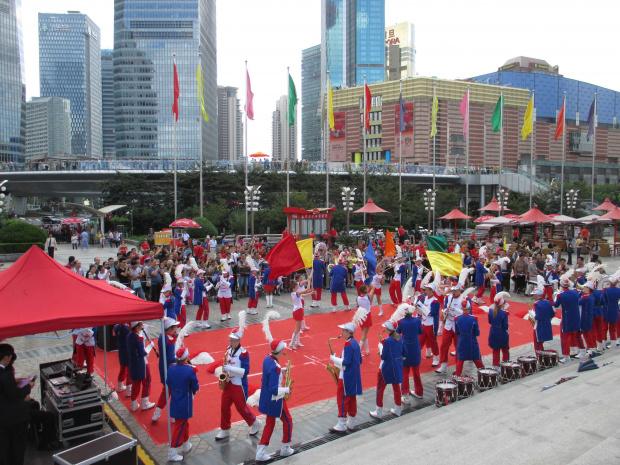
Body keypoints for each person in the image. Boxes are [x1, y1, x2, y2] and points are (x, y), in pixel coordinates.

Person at [215, 319, 262, 440]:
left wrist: (230, 368)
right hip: (229, 383)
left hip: (238, 384)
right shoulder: (228, 349)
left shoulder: (244, 353)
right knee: (224, 406)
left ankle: (255, 422)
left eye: (233, 341)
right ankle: (225, 429)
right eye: (230, 340)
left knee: (241, 407)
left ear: (238, 341)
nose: (230, 342)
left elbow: (246, 372)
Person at [255, 340, 294, 462]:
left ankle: (260, 451)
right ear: (280, 350)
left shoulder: (268, 359)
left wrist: (282, 371)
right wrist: (286, 389)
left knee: (269, 424)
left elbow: (269, 373)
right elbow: (274, 390)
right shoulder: (275, 367)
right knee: (288, 421)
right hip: (276, 400)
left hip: (266, 398)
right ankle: (285, 448)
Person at [0, 343, 35, 465]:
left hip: (3, 420)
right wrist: (28, 387)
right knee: (17, 449)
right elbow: (14, 395)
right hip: (14, 419)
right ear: (6, 358)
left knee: (4, 448)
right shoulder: (5, 375)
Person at [166, 347, 199, 462]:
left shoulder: (170, 368)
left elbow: (168, 382)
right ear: (186, 358)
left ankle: (186, 444)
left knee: (184, 423)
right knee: (179, 427)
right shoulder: (190, 370)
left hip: (175, 399)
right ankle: (172, 452)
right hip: (185, 401)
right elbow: (195, 385)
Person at [329, 322, 363, 432]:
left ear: (349, 332)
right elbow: (359, 360)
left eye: (343, 331)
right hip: (354, 374)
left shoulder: (348, 344)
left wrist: (334, 359)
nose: (342, 332)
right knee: (352, 398)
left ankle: (342, 423)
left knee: (342, 399)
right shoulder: (355, 343)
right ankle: (351, 422)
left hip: (346, 376)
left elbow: (346, 362)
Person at [370, 320, 406, 418]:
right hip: (397, 366)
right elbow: (405, 353)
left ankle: (378, 411)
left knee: (380, 389)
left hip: (386, 367)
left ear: (388, 329)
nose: (384, 329)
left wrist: (381, 347)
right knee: (396, 388)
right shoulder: (401, 339)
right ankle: (398, 409)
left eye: (385, 327)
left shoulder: (386, 341)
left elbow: (383, 357)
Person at [435, 284, 467, 374]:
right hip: (449, 324)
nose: (453, 292)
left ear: (459, 290)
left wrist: (454, 309)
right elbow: (445, 307)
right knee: (444, 345)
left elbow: (467, 312)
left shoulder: (464, 298)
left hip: (458, 325)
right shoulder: (449, 297)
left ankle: (458, 367)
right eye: (452, 290)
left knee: (458, 347)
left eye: (455, 290)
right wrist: (445, 311)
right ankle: (443, 365)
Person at [152, 318, 179, 422]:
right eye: (175, 326)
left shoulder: (161, 337)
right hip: (171, 368)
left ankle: (157, 412)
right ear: (170, 328)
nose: (176, 328)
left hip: (163, 367)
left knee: (166, 391)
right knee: (174, 392)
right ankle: (174, 415)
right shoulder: (170, 340)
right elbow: (172, 357)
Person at [126, 321, 156, 412]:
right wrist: (150, 346)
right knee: (147, 381)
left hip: (133, 362)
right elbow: (143, 353)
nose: (142, 326)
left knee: (136, 383)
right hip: (141, 363)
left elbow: (136, 347)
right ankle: (145, 402)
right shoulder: (138, 337)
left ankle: (134, 403)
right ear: (138, 326)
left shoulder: (129, 335)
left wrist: (144, 341)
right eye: (141, 325)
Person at [396, 305, 423, 402]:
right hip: (415, 347)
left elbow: (397, 332)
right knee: (416, 371)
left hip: (405, 348)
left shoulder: (401, 322)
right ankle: (419, 392)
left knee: (405, 373)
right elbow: (420, 332)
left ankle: (406, 394)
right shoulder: (417, 321)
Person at [554, 277, 583, 363]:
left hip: (566, 317)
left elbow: (556, 305)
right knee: (575, 334)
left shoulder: (561, 295)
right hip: (576, 316)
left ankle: (566, 356)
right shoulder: (575, 292)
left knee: (564, 337)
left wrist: (556, 296)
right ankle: (578, 350)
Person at [454, 298, 485, 376]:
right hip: (472, 341)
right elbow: (477, 333)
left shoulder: (457, 319)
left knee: (460, 360)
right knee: (477, 359)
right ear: (469, 308)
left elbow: (457, 332)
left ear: (462, 308)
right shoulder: (473, 319)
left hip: (461, 341)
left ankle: (457, 376)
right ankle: (484, 375)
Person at [415, 283, 441, 367]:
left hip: (431, 324)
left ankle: (436, 358)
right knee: (420, 341)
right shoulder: (424, 298)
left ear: (432, 291)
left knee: (433, 341)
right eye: (425, 289)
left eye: (427, 290)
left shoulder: (435, 301)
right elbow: (421, 312)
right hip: (424, 323)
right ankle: (416, 356)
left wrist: (421, 306)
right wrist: (416, 306)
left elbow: (433, 313)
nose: (425, 291)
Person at [289, 274, 314, 350]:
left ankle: (297, 341)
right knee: (297, 328)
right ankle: (292, 343)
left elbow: (304, 295)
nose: (298, 286)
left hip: (296, 310)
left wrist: (310, 293)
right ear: (295, 286)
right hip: (298, 310)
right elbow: (307, 289)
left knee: (298, 327)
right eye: (297, 285)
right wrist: (309, 281)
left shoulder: (295, 293)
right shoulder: (296, 293)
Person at [488, 292, 510, 370]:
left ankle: (496, 366)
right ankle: (506, 364)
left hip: (493, 332)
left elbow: (490, 322)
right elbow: (505, 325)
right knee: (505, 349)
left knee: (495, 350)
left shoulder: (490, 311)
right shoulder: (504, 313)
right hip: (502, 332)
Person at [113, 322, 132, 396]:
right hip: (127, 350)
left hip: (121, 350)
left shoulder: (116, 327)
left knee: (123, 368)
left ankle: (119, 385)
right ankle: (129, 390)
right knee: (129, 370)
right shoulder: (126, 328)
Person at [357, 284, 376, 356]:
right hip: (367, 315)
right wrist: (369, 282)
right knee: (364, 334)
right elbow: (373, 287)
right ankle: (358, 351)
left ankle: (367, 350)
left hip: (360, 314)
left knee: (364, 333)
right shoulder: (368, 297)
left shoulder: (358, 298)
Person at [579, 282, 596, 357]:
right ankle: (591, 347)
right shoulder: (590, 296)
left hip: (585, 317)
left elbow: (578, 302)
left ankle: (591, 348)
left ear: (588, 289)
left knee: (586, 333)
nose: (583, 289)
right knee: (587, 333)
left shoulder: (586, 297)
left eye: (585, 287)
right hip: (588, 316)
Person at [603, 275, 620, 348]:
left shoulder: (606, 290)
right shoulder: (619, 290)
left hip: (607, 309)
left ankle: (603, 343)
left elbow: (603, 300)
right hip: (615, 308)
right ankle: (613, 343)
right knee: (613, 327)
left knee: (604, 327)